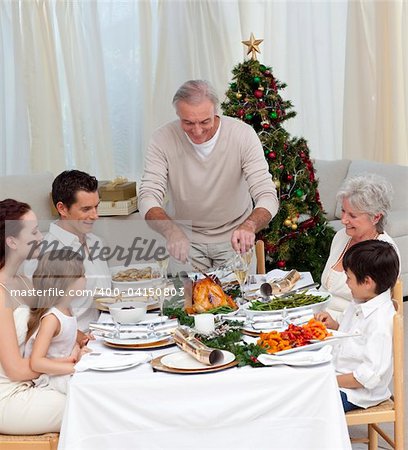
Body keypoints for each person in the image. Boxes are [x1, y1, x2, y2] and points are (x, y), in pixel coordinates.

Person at [138, 79, 278, 270]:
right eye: (187, 122)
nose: (197, 131)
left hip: (235, 237)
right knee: (183, 299)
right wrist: (171, 231)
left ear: (215, 111)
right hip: (184, 239)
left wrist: (250, 226)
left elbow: (267, 195)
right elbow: (148, 197)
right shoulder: (162, 139)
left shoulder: (242, 135)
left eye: (205, 121)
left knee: (240, 299)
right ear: (178, 114)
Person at [0, 199, 66, 434]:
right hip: (9, 397)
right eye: (35, 231)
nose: (41, 237)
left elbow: (52, 319)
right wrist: (66, 364)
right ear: (12, 241)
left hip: (34, 382)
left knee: (92, 391)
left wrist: (82, 338)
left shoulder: (23, 281)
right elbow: (16, 370)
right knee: (86, 404)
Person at [316, 240, 399, 412]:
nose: (346, 283)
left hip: (356, 392)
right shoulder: (360, 301)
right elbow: (356, 339)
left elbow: (367, 377)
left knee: (306, 404)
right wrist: (336, 325)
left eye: (348, 278)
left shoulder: (380, 321)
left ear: (367, 282)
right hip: (338, 374)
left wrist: (326, 379)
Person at [25, 170, 111, 331]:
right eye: (86, 209)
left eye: (96, 207)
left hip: (108, 332)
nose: (95, 216)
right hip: (73, 344)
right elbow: (38, 315)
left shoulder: (96, 242)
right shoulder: (42, 252)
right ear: (62, 209)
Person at [321, 174, 400, 320]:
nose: (344, 220)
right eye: (343, 211)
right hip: (319, 316)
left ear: (376, 217)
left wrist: (335, 322)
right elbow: (324, 289)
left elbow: (374, 312)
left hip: (348, 327)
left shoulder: (382, 252)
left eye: (353, 215)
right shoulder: (340, 237)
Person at [24, 249, 89, 395]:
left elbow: (67, 331)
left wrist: (82, 338)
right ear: (67, 282)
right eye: (82, 275)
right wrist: (74, 368)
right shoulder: (52, 319)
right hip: (51, 378)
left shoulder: (66, 309)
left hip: (62, 370)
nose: (86, 278)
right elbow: (36, 362)